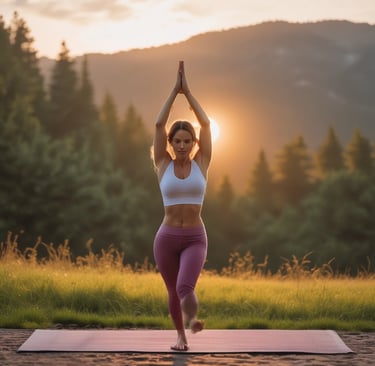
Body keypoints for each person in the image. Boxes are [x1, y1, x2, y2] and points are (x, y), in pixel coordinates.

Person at [152, 61, 212, 351]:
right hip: (166, 238)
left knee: (185, 286)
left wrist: (187, 93)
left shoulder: (203, 163)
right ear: (171, 143)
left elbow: (207, 123)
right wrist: (173, 92)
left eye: (188, 141)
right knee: (172, 291)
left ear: (194, 143)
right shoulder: (162, 164)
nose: (183, 145)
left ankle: (193, 322)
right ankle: (181, 336)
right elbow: (158, 124)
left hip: (195, 237)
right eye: (177, 141)